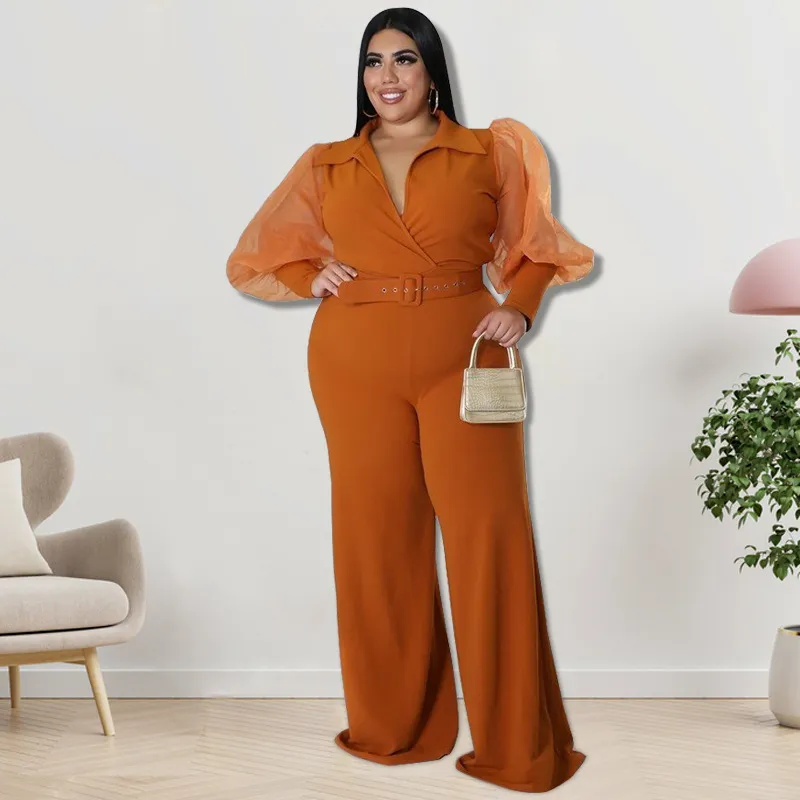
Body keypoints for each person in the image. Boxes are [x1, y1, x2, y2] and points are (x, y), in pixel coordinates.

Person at [226, 7, 594, 794]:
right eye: (373, 61)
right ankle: (395, 729)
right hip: (351, 360)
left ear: (432, 71)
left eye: (404, 59)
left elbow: (539, 248)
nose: (386, 76)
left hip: (466, 354)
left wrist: (521, 307)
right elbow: (256, 257)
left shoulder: (490, 149)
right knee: (376, 541)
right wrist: (309, 275)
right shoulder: (327, 164)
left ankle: (515, 747)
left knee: (489, 537)